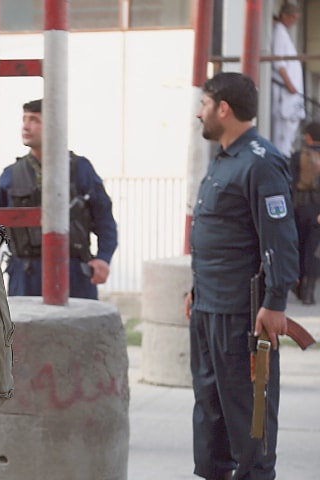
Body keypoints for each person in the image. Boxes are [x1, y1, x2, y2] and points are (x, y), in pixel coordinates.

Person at [186, 72, 299, 480]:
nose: (198, 113)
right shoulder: (224, 158)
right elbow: (224, 235)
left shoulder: (260, 161)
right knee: (211, 410)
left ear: (223, 108)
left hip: (241, 316)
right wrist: (195, 288)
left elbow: (280, 238)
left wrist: (276, 302)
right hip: (207, 307)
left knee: (250, 416)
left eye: (204, 104)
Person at [0, 98, 118, 299]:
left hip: (73, 271)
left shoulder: (80, 169)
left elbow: (105, 220)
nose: (26, 126)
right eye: (24, 119)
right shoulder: (10, 175)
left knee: (78, 329)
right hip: (25, 275)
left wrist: (103, 259)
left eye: (34, 120)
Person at [288, 121, 320, 304]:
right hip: (318, 211)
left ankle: (298, 286)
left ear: (308, 137)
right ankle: (308, 293)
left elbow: (289, 184)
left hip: (299, 210)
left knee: (298, 247)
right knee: (314, 251)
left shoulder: (298, 156)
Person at [271, 2, 305, 157]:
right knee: (282, 135)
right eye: (293, 18)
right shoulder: (279, 31)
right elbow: (279, 63)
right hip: (285, 91)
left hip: (291, 92)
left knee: (289, 133)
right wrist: (289, 84)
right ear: (285, 16)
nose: (294, 22)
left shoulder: (283, 32)